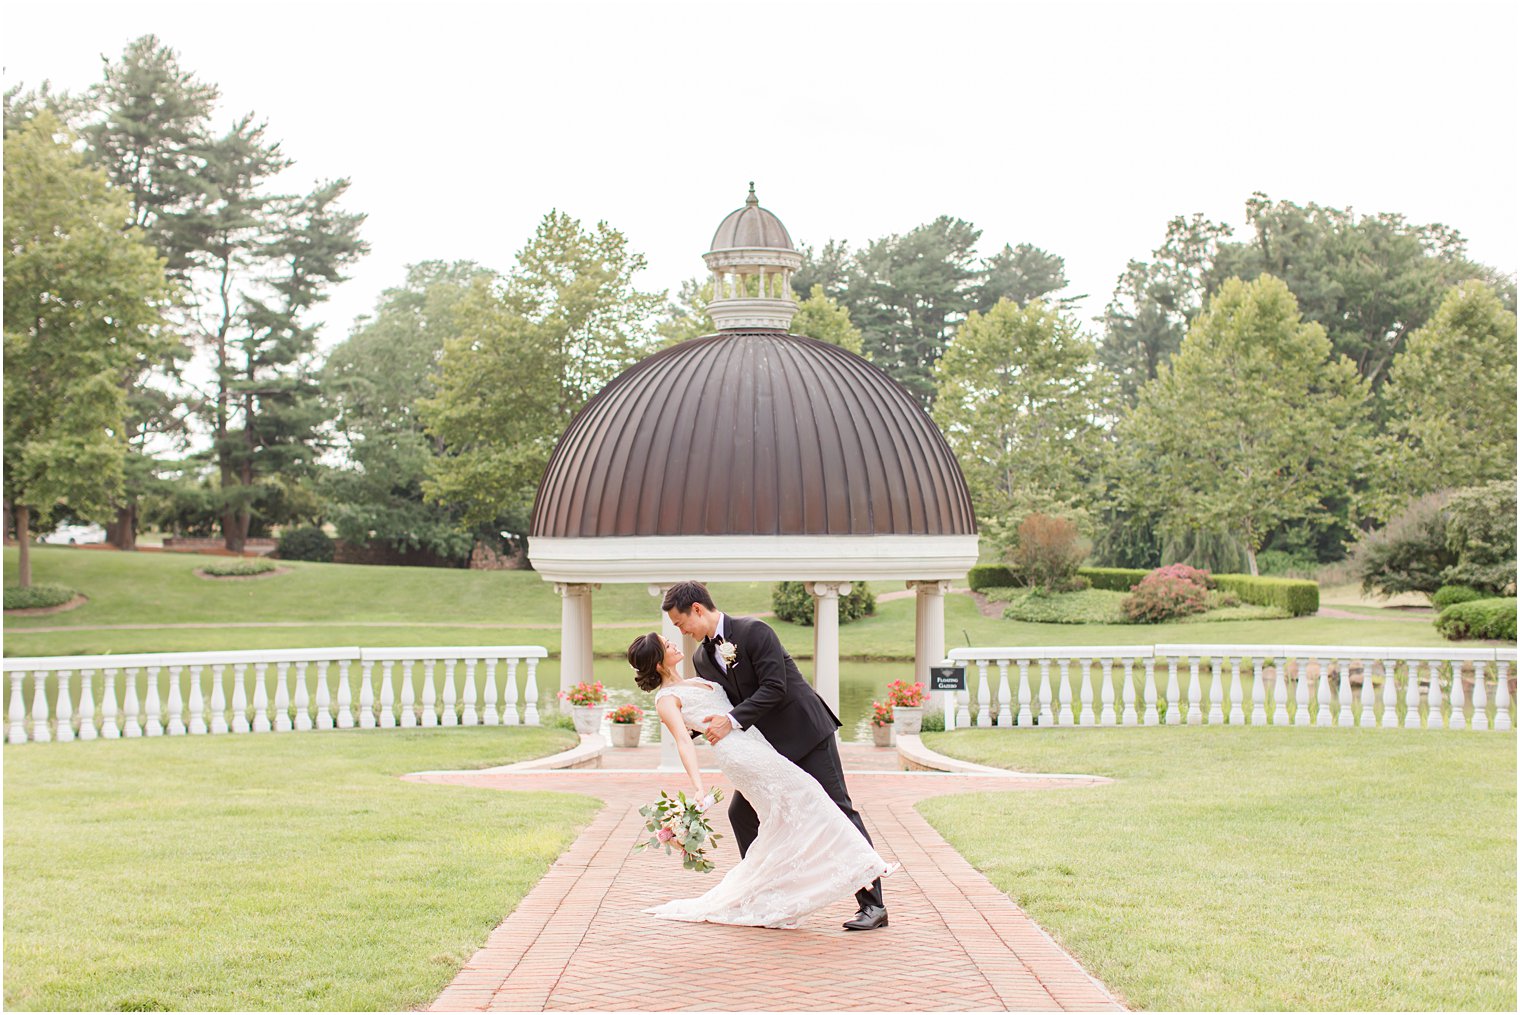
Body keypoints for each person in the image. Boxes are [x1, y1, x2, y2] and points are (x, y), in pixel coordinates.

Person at [629, 579, 891, 931]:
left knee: (838, 808)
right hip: (763, 750)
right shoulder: (701, 657)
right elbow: (717, 704)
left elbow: (774, 687)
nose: (682, 631)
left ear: (697, 609)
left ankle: (872, 905)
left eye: (681, 623)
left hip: (804, 731)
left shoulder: (754, 631)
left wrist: (730, 722)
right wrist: (693, 724)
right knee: (741, 814)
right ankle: (763, 895)